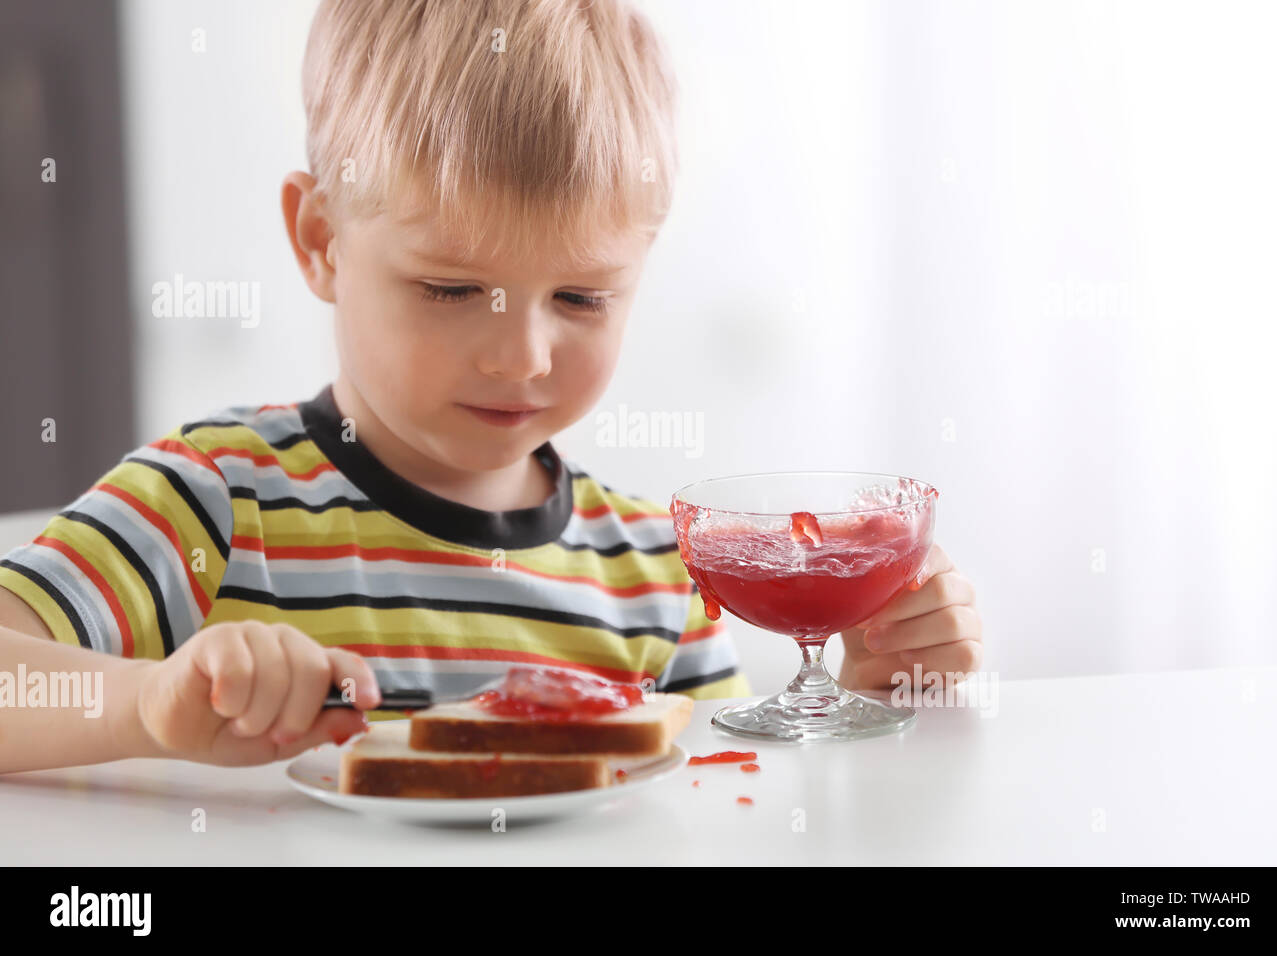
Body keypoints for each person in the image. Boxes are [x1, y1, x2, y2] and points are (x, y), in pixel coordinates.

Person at [0, 0, 980, 775]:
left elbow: (716, 806)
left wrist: (870, 699)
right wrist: (150, 705)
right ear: (320, 241)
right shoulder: (212, 498)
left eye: (583, 297)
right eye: (452, 287)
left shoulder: (652, 574)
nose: (522, 355)